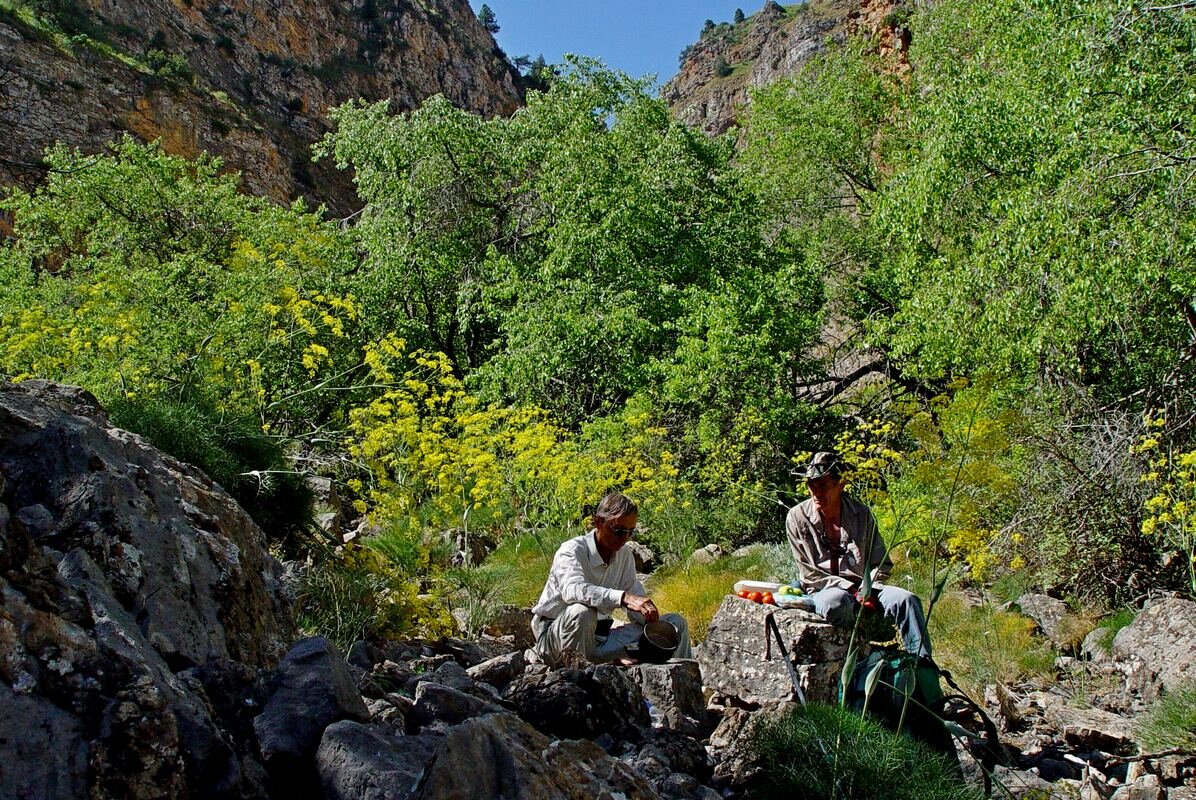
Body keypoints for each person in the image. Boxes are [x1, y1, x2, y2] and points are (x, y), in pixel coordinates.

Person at [786, 451, 932, 658]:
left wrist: (868, 586)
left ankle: (923, 665)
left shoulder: (861, 513)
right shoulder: (797, 517)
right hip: (824, 589)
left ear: (841, 485)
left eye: (823, 485)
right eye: (811, 485)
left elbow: (880, 562)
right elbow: (809, 573)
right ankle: (859, 651)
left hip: (866, 588)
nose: (816, 492)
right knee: (834, 603)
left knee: (907, 600)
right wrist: (851, 590)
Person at [528, 491, 693, 666]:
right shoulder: (572, 550)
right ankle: (574, 679)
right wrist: (622, 598)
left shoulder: (624, 555)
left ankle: (684, 682)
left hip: (601, 639)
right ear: (599, 522)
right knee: (582, 613)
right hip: (556, 640)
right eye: (619, 531)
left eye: (630, 532)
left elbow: (634, 600)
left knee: (675, 624)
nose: (625, 538)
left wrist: (649, 618)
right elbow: (572, 590)